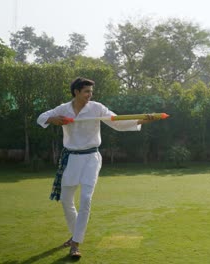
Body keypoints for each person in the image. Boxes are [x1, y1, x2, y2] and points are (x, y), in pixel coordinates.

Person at [37, 77, 157, 259]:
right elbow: (41, 118)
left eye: (91, 92)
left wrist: (142, 121)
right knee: (65, 200)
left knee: (85, 198)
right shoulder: (63, 108)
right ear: (76, 92)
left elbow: (117, 122)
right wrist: (53, 119)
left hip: (91, 158)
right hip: (70, 159)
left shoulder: (97, 107)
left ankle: (75, 244)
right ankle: (74, 235)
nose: (89, 95)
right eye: (86, 91)